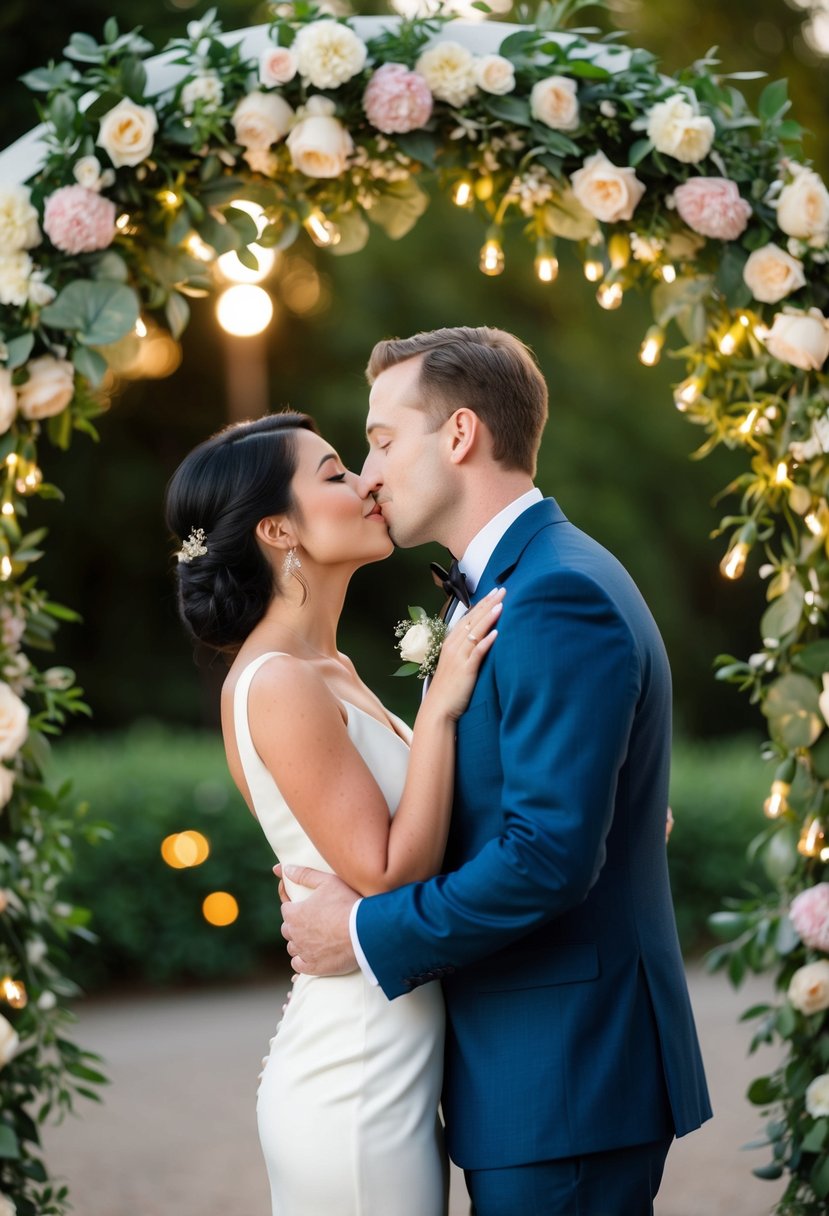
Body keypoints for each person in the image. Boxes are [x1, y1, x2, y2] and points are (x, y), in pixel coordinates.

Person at [279, 326, 713, 1216]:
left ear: (462, 435)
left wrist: (360, 934)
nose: (368, 471)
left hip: (564, 1079)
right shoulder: (525, 582)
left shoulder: (556, 594)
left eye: (383, 440)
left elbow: (549, 856)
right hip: (542, 1077)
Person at [164, 412, 505, 1216]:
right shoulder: (278, 681)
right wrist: (440, 711)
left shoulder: (332, 666)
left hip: (395, 1058)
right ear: (279, 528)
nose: (366, 482)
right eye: (333, 475)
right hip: (354, 1081)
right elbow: (390, 870)